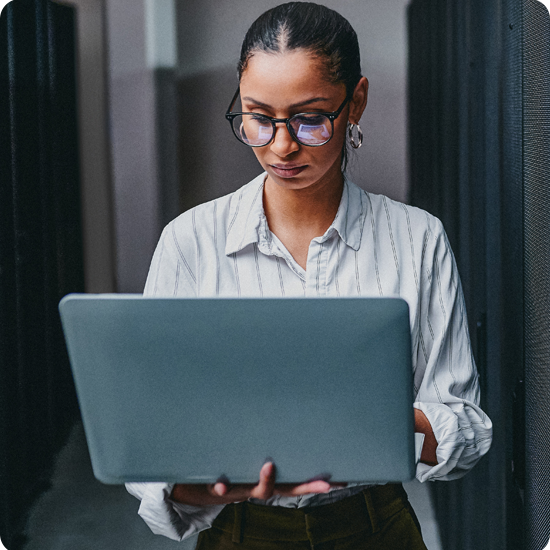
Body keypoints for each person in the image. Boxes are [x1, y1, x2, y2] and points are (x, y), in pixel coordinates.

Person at [126, 2, 492, 548]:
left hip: (374, 526)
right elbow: (150, 447)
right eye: (257, 116)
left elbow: (464, 427)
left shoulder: (417, 240)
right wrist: (216, 490)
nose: (281, 145)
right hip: (238, 529)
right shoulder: (190, 241)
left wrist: (375, 415)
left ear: (356, 103)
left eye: (309, 118)